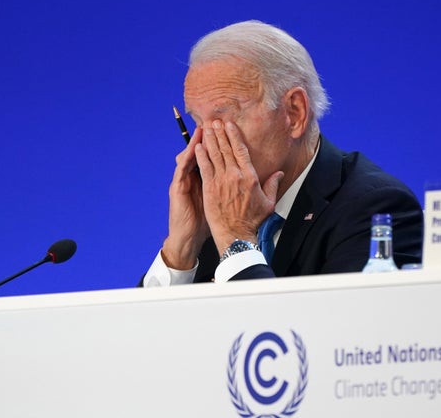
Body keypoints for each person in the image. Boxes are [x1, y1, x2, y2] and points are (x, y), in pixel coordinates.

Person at [142, 20, 423, 286]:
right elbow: (134, 335)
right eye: (197, 123)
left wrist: (235, 239)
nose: (203, 146)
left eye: (224, 119)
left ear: (294, 113)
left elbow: (313, 335)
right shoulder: (214, 216)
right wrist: (180, 250)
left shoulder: (376, 209)